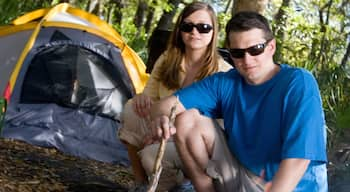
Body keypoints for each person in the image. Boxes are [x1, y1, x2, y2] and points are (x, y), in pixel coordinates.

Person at [149, 11, 328, 192]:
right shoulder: (225, 82)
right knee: (185, 119)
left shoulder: (297, 82)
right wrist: (162, 116)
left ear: (271, 47)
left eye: (255, 49)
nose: (247, 60)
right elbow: (163, 106)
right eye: (237, 53)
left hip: (288, 186)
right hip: (242, 175)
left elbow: (298, 159)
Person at [118, 2, 232, 191]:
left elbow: (217, 129)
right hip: (161, 123)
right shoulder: (168, 58)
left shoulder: (223, 73)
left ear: (213, 32)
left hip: (194, 141)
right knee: (132, 109)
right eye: (188, 26)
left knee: (151, 155)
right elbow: (149, 97)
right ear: (179, 30)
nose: (195, 32)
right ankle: (139, 183)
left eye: (203, 28)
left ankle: (175, 184)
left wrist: (166, 133)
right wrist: (141, 99)